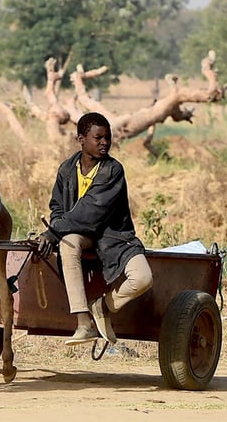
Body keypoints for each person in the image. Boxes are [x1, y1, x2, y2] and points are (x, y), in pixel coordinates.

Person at [37, 112, 153, 345]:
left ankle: (103, 306)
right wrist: (57, 227)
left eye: (107, 138)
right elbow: (56, 206)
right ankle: (83, 323)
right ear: (81, 139)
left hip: (113, 237)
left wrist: (54, 231)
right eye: (98, 138)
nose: (105, 143)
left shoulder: (113, 170)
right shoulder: (66, 169)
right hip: (80, 235)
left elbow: (91, 212)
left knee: (143, 279)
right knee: (68, 244)